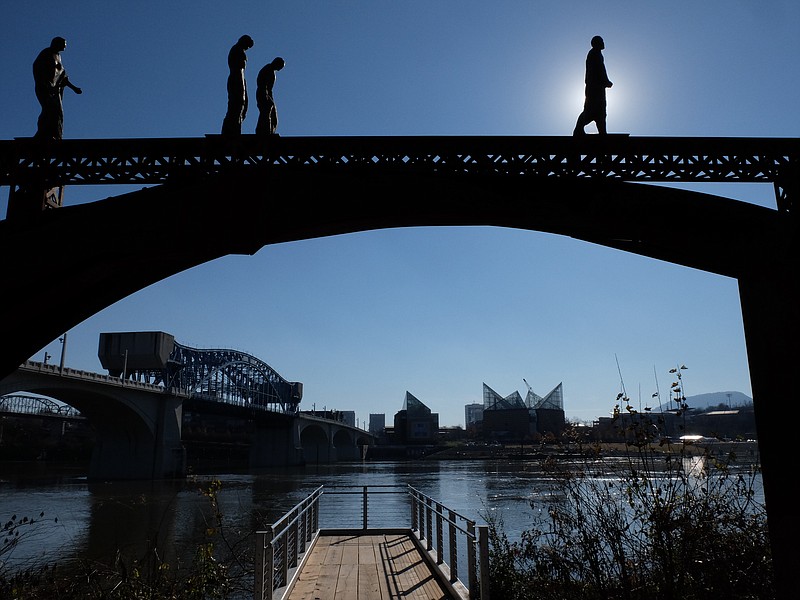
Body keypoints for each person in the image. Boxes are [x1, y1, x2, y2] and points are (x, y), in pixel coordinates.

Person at [33, 36, 82, 140]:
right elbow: (37, 68)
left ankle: (55, 135)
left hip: (55, 90)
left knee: (58, 112)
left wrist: (74, 88)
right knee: (49, 110)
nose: (65, 46)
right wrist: (45, 83)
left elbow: (62, 76)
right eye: (64, 43)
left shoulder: (58, 57)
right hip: (46, 88)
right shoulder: (46, 54)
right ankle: (42, 134)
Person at [573, 35, 613, 135]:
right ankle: (579, 129)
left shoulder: (597, 54)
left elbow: (601, 69)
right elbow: (598, 70)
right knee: (591, 110)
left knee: (600, 110)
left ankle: (602, 132)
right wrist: (606, 81)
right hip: (594, 87)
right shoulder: (594, 54)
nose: (603, 43)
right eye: (601, 41)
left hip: (597, 87)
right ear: (596, 43)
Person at [221, 35, 254, 135]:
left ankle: (234, 129)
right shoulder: (237, 50)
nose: (247, 49)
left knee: (239, 106)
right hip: (236, 79)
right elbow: (238, 68)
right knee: (236, 105)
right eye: (247, 46)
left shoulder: (238, 50)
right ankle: (231, 131)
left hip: (239, 79)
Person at [255, 57, 285, 136]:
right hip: (263, 94)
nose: (280, 69)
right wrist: (265, 95)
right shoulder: (267, 69)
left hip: (268, 94)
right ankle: (263, 131)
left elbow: (269, 88)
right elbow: (262, 83)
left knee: (273, 117)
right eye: (280, 67)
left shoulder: (271, 71)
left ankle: (269, 131)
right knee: (266, 113)